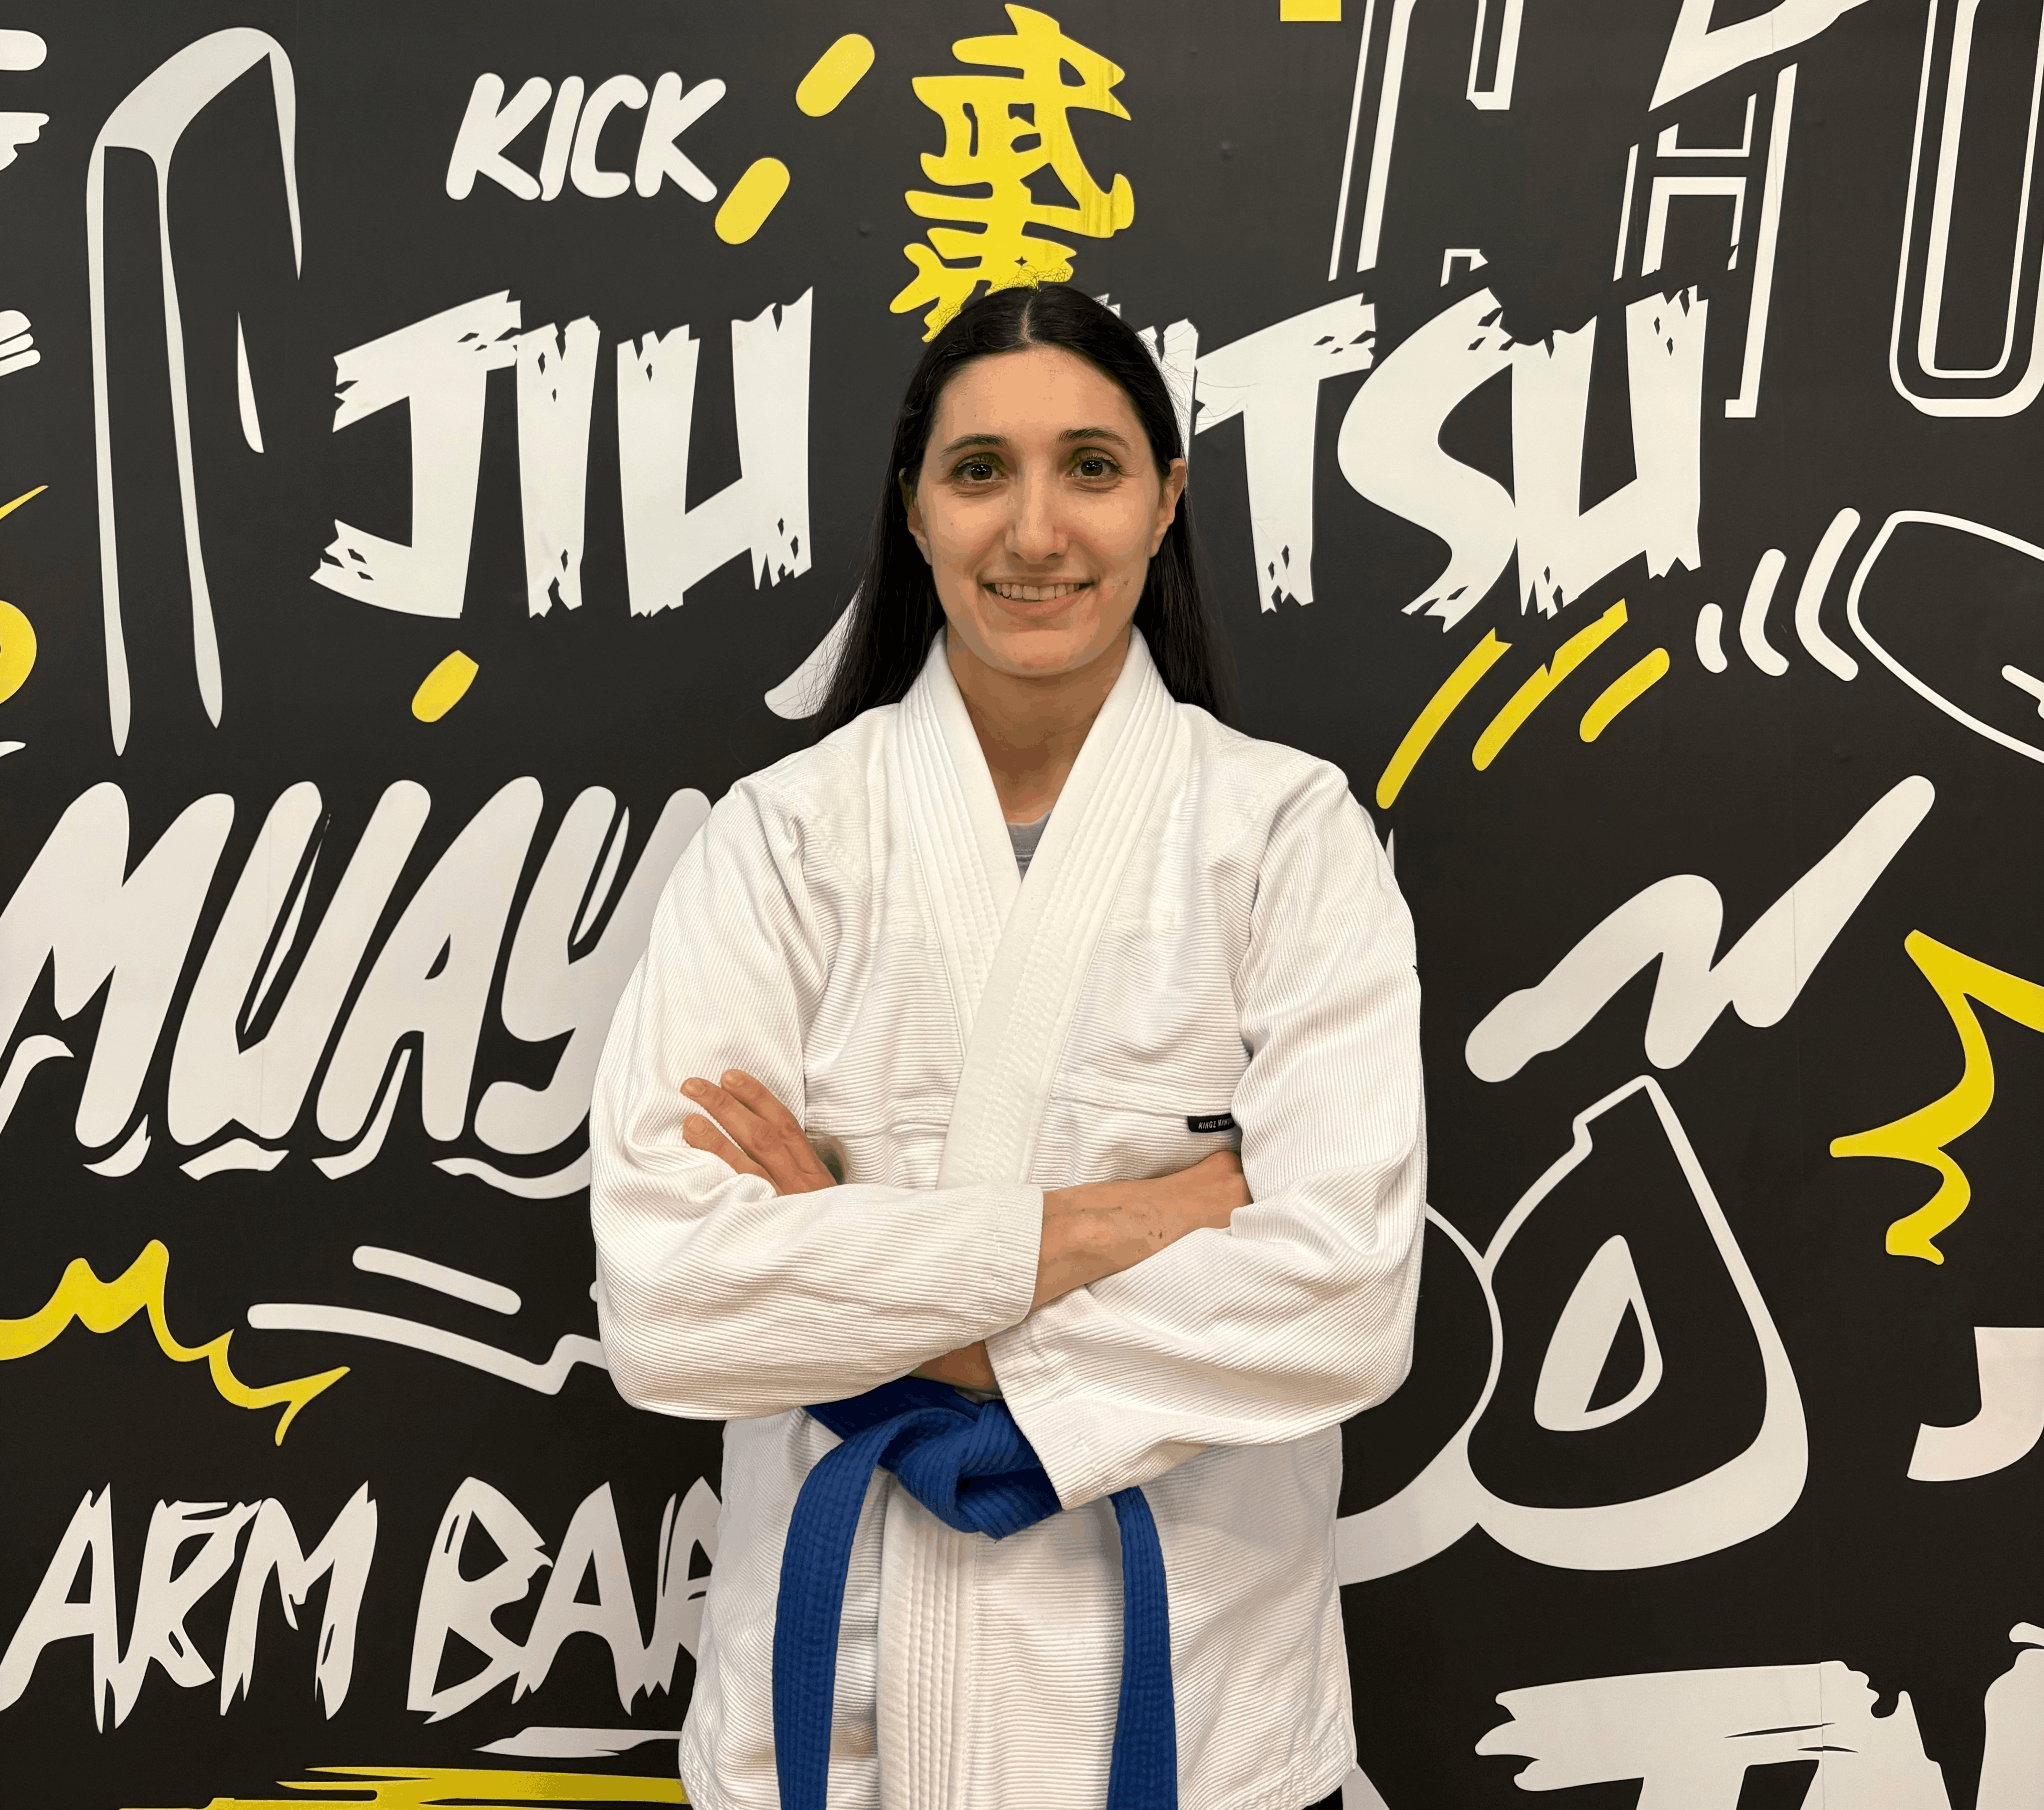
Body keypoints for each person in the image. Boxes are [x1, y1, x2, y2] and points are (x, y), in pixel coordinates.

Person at [590, 281, 1426, 1810]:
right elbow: (666, 1307)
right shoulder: (783, 841)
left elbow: (1348, 1299)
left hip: (1200, 1717)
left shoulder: (1289, 837)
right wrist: (1150, 1214)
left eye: (1091, 467)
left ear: (1167, 500)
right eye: (980, 470)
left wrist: (853, 1268)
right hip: (830, 1723)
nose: (1034, 530)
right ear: (914, 510)